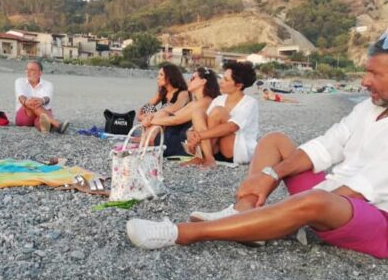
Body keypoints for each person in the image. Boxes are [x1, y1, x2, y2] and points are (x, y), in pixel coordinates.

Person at [125, 36, 388, 259]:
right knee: (274, 140)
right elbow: (324, 147)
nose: (364, 81)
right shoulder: (367, 108)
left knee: (314, 200)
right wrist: (271, 175)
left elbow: (359, 191)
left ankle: (183, 233)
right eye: (366, 71)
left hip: (373, 217)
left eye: (374, 73)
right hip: (331, 197)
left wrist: (289, 214)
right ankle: (244, 212)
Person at [182, 61, 258, 168]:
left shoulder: (249, 102)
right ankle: (205, 157)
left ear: (238, 85)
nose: (221, 82)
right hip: (210, 145)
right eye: (222, 77)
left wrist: (198, 136)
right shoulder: (217, 99)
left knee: (218, 111)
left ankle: (205, 157)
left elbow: (232, 127)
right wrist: (190, 133)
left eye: (226, 80)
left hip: (234, 149)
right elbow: (173, 115)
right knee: (198, 113)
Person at [141, 67, 220, 155]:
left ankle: (144, 147)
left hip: (185, 135)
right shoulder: (163, 93)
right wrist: (148, 116)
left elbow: (176, 116)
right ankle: (144, 145)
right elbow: (145, 108)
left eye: (193, 78)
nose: (158, 77)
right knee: (162, 114)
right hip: (175, 129)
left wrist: (151, 119)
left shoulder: (185, 94)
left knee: (162, 115)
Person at [14, 60, 69, 133]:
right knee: (32, 103)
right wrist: (27, 102)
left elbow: (47, 98)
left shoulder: (48, 84)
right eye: (27, 69)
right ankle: (57, 125)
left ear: (40, 73)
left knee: (42, 119)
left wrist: (42, 101)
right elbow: (21, 96)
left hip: (43, 113)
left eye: (32, 70)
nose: (28, 72)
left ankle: (45, 127)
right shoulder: (19, 81)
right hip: (25, 114)